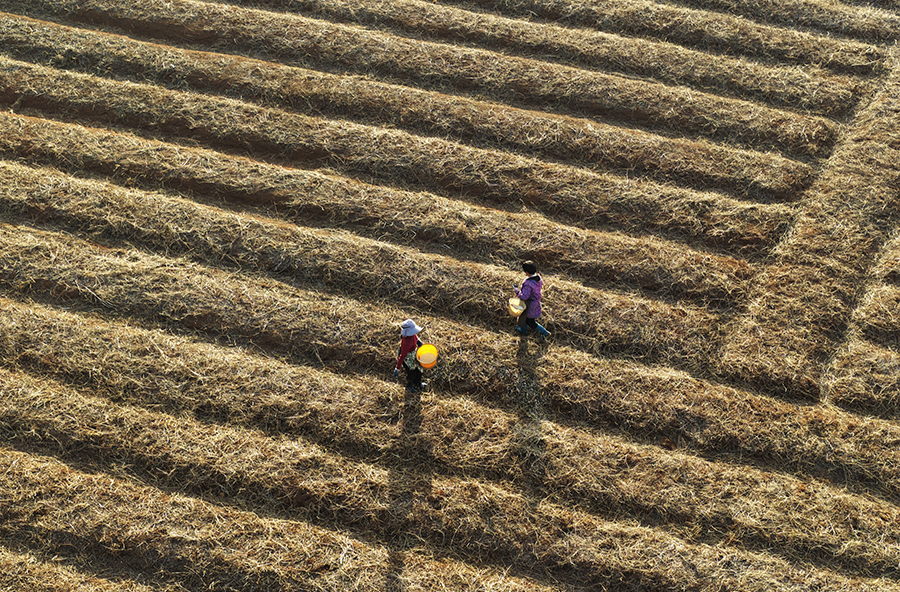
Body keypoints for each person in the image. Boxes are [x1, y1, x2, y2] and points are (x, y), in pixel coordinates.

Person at [513, 261, 551, 339]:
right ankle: (523, 330)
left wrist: (516, 290)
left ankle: (545, 333)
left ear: (526, 272)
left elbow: (524, 296)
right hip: (535, 302)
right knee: (524, 317)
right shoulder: (538, 277)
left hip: (530, 304)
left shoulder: (528, 283)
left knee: (530, 321)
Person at [393, 318, 428, 391]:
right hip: (407, 358)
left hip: (413, 353)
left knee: (418, 369)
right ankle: (409, 386)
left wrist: (419, 343)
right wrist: (397, 368)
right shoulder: (406, 343)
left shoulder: (412, 335)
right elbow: (402, 356)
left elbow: (416, 337)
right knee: (412, 372)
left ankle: (418, 384)